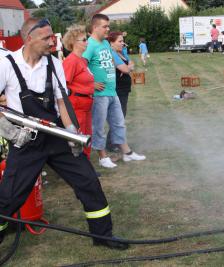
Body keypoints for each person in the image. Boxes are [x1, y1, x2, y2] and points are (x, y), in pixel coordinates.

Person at [0, 18, 128, 249]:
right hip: (25, 140)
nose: (52, 42)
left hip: (56, 135)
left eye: (52, 37)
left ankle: (103, 235)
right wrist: (8, 130)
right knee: (9, 195)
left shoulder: (53, 63)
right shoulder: (6, 64)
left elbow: (62, 102)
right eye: (46, 38)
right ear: (29, 39)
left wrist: (71, 133)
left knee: (88, 182)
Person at [83, 14, 145, 169]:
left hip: (112, 92)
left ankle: (127, 152)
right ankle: (102, 157)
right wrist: (91, 83)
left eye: (108, 26)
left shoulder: (105, 43)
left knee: (119, 123)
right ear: (95, 27)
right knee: (99, 127)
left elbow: (113, 61)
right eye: (105, 26)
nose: (108, 29)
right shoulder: (89, 45)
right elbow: (81, 66)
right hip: (99, 95)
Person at [62, 25, 94, 159]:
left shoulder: (81, 60)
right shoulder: (71, 61)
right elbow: (63, 86)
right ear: (74, 42)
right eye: (84, 40)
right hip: (77, 105)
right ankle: (81, 166)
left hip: (86, 104)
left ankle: (86, 165)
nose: (87, 42)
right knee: (78, 138)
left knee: (87, 136)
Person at [107, 32, 134, 118]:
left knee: (122, 115)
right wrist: (127, 68)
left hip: (124, 89)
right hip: (118, 89)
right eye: (120, 41)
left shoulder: (120, 52)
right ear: (111, 43)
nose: (123, 43)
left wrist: (127, 67)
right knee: (119, 117)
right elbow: (126, 69)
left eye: (123, 41)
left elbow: (131, 64)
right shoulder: (112, 53)